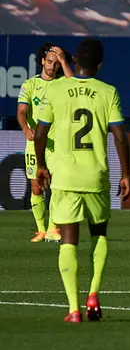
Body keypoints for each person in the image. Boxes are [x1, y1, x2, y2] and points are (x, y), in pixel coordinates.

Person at [34, 38, 130, 323]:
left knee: (68, 241)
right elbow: (120, 136)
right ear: (99, 65)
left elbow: (40, 134)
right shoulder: (108, 92)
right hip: (96, 175)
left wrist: (41, 166)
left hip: (64, 176)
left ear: (74, 60)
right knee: (99, 233)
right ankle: (93, 293)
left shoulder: (56, 89)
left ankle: (74, 309)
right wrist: (126, 173)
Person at [18, 42, 73, 243]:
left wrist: (64, 60)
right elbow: (22, 111)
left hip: (58, 144)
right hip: (36, 144)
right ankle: (41, 230)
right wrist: (25, 129)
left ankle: (52, 228)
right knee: (36, 187)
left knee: (57, 187)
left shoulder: (62, 84)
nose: (52, 66)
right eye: (49, 61)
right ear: (42, 61)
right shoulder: (29, 84)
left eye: (56, 63)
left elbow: (75, 84)